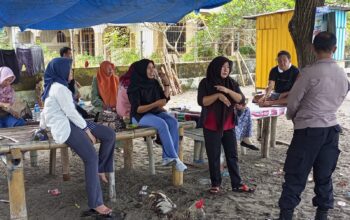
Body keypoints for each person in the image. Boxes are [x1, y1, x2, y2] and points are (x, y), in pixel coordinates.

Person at [277, 32, 349, 220]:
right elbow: (341, 97)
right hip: (331, 130)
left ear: (313, 48)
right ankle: (322, 214)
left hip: (308, 130)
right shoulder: (342, 73)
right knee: (324, 176)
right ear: (334, 49)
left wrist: (294, 117)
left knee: (295, 175)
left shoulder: (309, 72)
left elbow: (293, 101)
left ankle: (286, 215)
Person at [40, 57, 116, 216]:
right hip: (67, 127)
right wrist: (87, 130)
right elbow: (69, 112)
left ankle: (101, 169)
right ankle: (96, 203)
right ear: (60, 71)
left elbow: (51, 111)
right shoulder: (58, 88)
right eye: (69, 69)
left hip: (75, 123)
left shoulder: (59, 86)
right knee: (91, 158)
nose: (71, 71)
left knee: (109, 134)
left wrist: (86, 126)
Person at [197, 56, 254, 194]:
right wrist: (217, 95)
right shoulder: (206, 83)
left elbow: (241, 99)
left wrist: (227, 91)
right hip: (211, 126)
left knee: (232, 155)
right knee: (214, 156)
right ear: (216, 67)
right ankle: (215, 184)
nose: (225, 70)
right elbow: (202, 101)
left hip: (228, 125)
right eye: (223, 67)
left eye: (228, 67)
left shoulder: (231, 83)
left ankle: (237, 184)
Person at [127, 59, 187, 172]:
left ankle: (169, 157)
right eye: (149, 68)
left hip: (154, 112)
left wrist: (166, 83)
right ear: (142, 70)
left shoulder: (153, 82)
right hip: (139, 117)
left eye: (153, 67)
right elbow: (138, 109)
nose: (152, 70)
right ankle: (173, 157)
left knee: (173, 122)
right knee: (162, 124)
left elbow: (164, 98)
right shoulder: (134, 87)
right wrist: (156, 104)